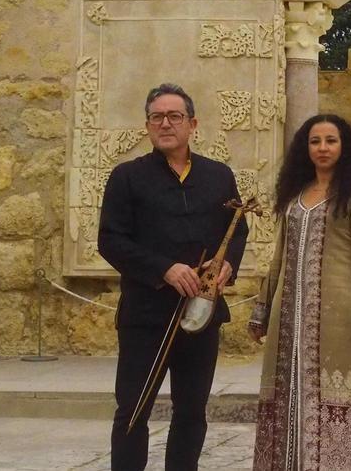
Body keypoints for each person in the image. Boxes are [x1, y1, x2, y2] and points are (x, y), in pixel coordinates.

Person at [99, 83, 248, 471]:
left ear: (192, 123)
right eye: (156, 117)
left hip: (202, 314)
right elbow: (110, 240)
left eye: (174, 116)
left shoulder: (219, 175)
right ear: (147, 125)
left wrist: (228, 265)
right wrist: (164, 268)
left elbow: (237, 228)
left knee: (191, 411)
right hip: (146, 316)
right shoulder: (127, 177)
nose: (165, 124)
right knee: (133, 411)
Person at [248, 113, 351, 470]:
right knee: (283, 395)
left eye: (331, 141)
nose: (323, 148)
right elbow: (278, 253)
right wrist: (263, 305)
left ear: (344, 146)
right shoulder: (293, 197)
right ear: (305, 149)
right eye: (315, 141)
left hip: (338, 315)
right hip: (286, 314)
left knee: (335, 395)